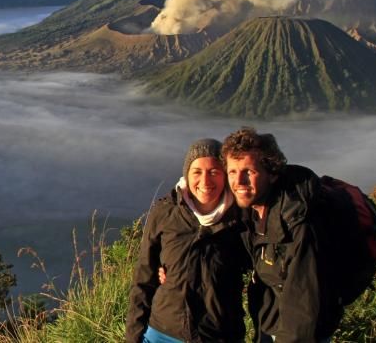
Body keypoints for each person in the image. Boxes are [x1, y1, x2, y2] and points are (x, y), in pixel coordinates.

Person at [221, 127, 343, 342]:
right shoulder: (253, 211)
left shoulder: (299, 226)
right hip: (272, 321)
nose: (238, 182)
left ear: (273, 173)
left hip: (297, 333)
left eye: (249, 172)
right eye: (232, 171)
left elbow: (304, 311)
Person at [126, 138, 250, 343]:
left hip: (220, 334)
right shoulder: (166, 212)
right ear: (186, 174)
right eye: (197, 172)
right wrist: (133, 337)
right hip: (164, 332)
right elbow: (144, 277)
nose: (205, 181)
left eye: (214, 171)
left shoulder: (241, 216)